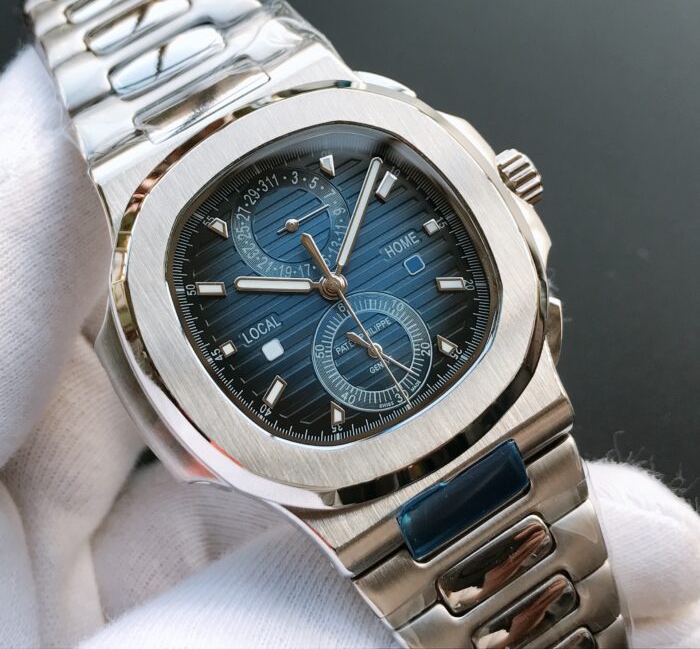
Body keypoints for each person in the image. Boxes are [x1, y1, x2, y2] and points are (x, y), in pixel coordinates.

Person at [1, 48, 698, 649]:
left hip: (510, 416)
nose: (332, 285)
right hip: (372, 504)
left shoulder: (333, 99)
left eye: (333, 278)